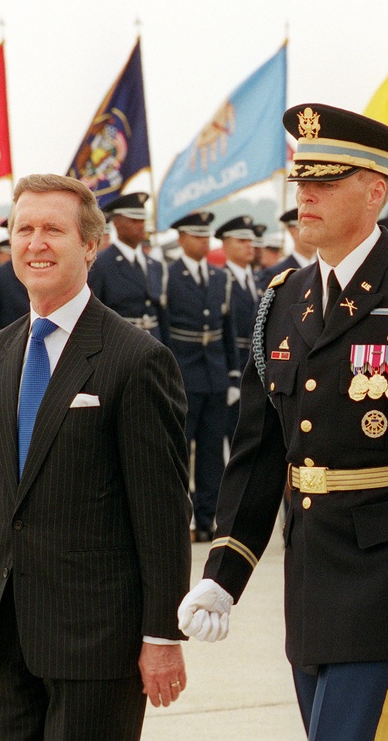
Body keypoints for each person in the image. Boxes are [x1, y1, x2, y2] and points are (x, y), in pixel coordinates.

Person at [177, 103, 388, 741]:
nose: (306, 199)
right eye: (302, 184)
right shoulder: (283, 298)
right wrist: (224, 572)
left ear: (374, 191)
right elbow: (258, 452)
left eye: (325, 184)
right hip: (311, 577)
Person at [0, 174, 192, 741]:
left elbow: (163, 515)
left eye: (53, 230)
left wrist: (162, 637)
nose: (36, 243)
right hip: (1, 637)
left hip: (97, 643)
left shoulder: (137, 360)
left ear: (90, 245)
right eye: (25, 229)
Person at [166, 210, 239, 543]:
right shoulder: (169, 274)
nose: (203, 242)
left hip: (214, 372)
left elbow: (228, 329)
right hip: (182, 368)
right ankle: (180, 516)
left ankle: (208, 518)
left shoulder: (220, 277)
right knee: (180, 448)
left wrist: (233, 375)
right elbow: (164, 327)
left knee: (212, 453)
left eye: (206, 236)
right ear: (181, 238)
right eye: (196, 235)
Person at [88, 192, 168, 343]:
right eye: (134, 220)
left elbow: (162, 315)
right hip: (119, 344)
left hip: (154, 344)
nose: (141, 225)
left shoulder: (155, 265)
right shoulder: (101, 264)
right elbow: (94, 313)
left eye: (142, 220)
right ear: (117, 223)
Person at [219, 215, 260, 440]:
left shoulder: (259, 279)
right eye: (241, 241)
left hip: (255, 361)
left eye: (250, 241)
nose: (249, 246)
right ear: (225, 245)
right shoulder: (221, 280)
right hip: (234, 362)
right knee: (232, 433)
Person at [257, 207, 318, 290]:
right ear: (292, 231)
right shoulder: (275, 274)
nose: (315, 233)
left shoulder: (328, 267)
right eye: (308, 228)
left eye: (317, 227)